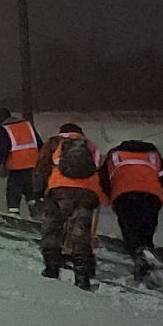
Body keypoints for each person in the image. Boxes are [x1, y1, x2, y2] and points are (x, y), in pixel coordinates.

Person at [35, 122, 105, 290]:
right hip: (86, 193)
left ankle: (51, 268)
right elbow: (101, 171)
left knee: (52, 229)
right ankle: (82, 275)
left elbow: (41, 168)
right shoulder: (90, 146)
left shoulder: (53, 143)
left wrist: (37, 193)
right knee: (81, 233)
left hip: (58, 191)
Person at [100, 138, 163, 280]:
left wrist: (109, 194)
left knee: (130, 230)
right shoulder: (153, 155)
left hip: (124, 195)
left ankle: (141, 258)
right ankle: (148, 254)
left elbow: (103, 178)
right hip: (151, 195)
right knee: (147, 229)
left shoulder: (114, 155)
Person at [0, 107, 43, 215]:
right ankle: (35, 211)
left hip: (16, 165)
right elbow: (39, 143)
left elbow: (4, 148)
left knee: (14, 190)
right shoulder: (27, 125)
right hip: (33, 163)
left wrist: (2, 164)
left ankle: (14, 212)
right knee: (30, 188)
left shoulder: (4, 129)